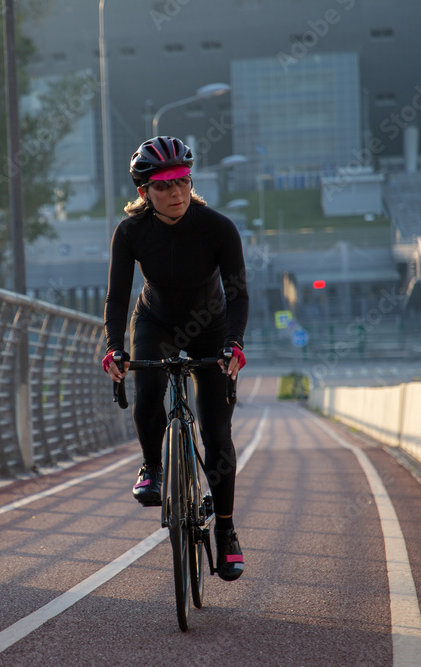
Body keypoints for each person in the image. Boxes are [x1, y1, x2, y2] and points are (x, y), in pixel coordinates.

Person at [101, 136, 249, 582]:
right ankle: (153, 465)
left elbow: (239, 293)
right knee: (147, 393)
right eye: (165, 187)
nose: (177, 194)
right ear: (144, 192)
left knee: (217, 435)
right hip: (156, 322)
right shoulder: (130, 233)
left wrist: (235, 345)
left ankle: (225, 531)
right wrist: (113, 347)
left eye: (183, 182)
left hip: (212, 328)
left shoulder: (217, 228)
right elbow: (116, 297)